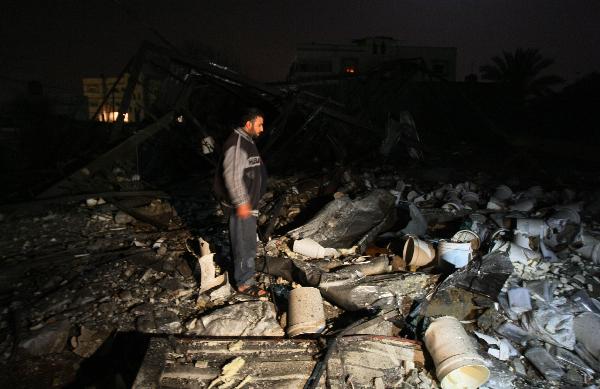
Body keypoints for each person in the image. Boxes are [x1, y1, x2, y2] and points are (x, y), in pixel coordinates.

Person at [216, 108, 268, 297]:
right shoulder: (237, 143)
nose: (262, 129)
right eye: (259, 124)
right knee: (243, 244)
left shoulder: (247, 142)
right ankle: (244, 284)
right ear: (248, 124)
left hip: (249, 204)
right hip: (241, 206)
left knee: (249, 244)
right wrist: (242, 202)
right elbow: (232, 176)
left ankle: (247, 276)